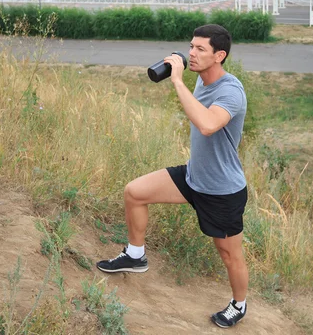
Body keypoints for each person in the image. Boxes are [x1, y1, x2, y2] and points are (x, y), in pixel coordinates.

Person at [96, 24, 249, 329]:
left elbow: (207, 124)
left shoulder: (231, 91)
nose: (191, 53)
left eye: (200, 49)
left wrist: (177, 81)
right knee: (135, 192)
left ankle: (239, 304)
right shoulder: (202, 80)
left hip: (222, 190)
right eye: (191, 46)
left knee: (229, 254)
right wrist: (179, 77)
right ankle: (136, 255)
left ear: (219, 55)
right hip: (194, 177)